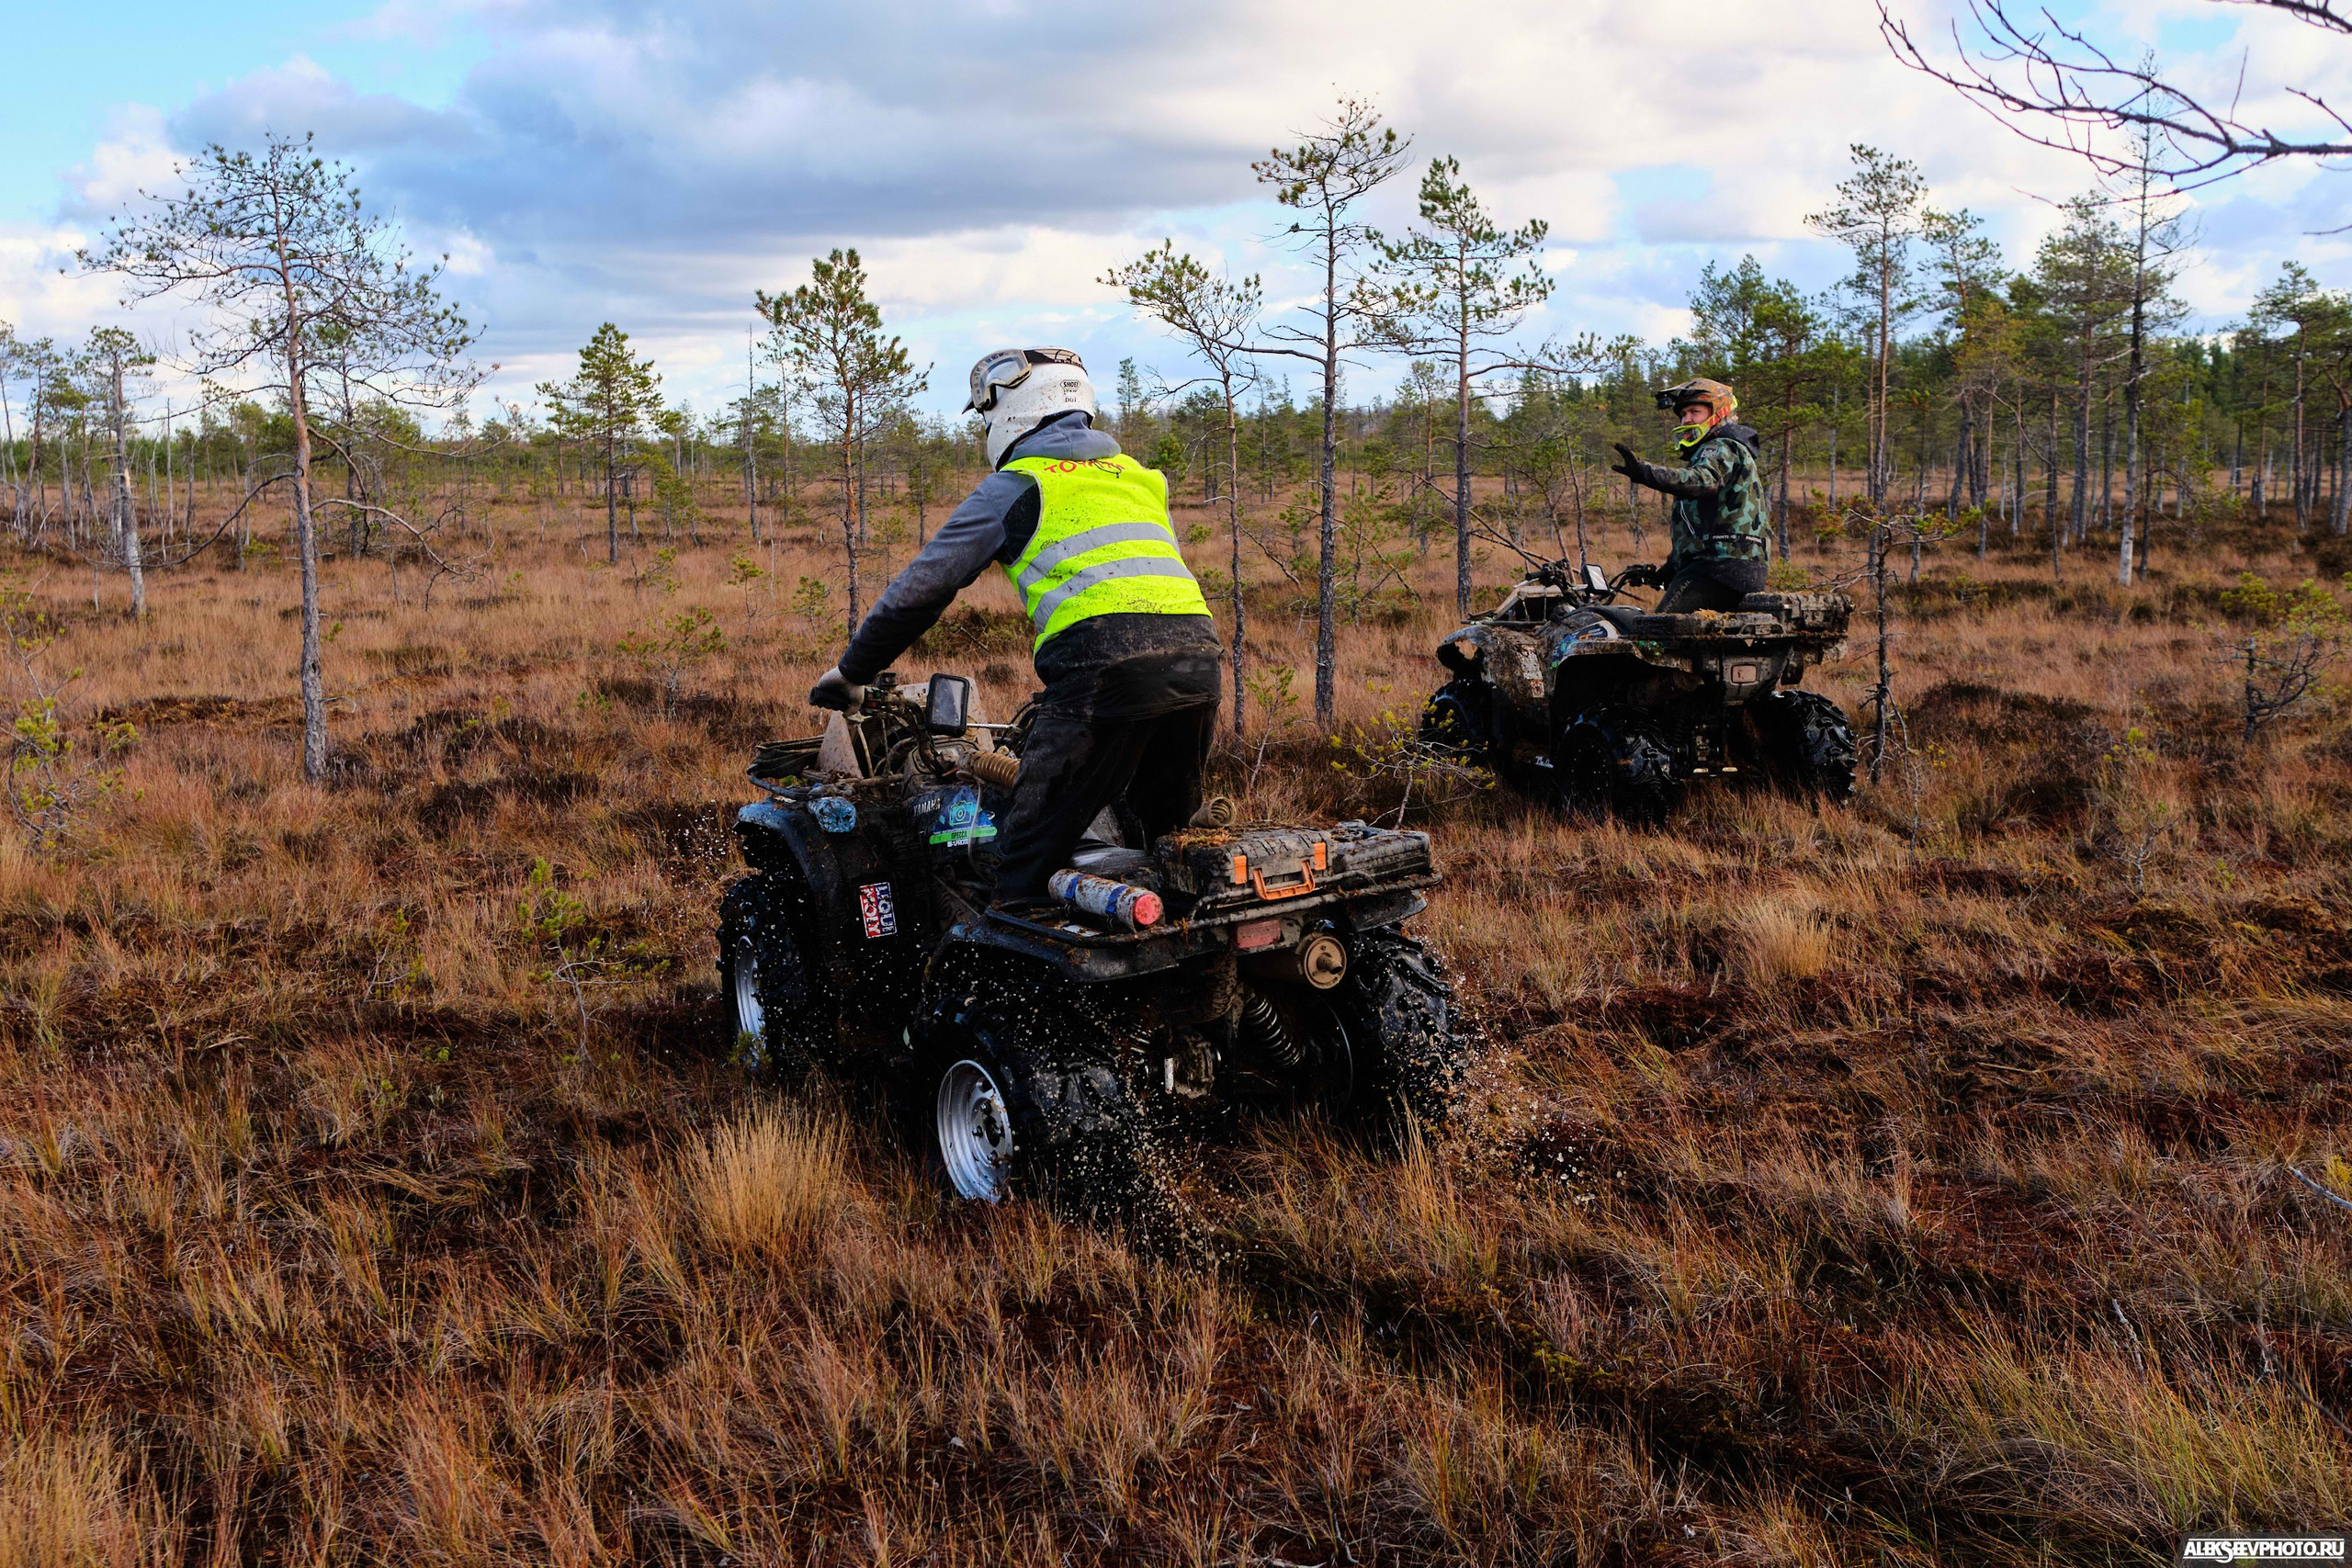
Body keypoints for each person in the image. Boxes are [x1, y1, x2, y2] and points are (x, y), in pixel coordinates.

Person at [808, 346, 1224, 904]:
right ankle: (1194, 976)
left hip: (1102, 672)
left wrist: (853, 670)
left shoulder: (1018, 485)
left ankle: (1000, 987)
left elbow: (922, 590)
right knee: (1170, 854)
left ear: (1013, 411)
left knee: (1023, 865)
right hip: (1199, 663)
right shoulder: (1141, 478)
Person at [1608, 377, 1771, 613]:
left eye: (1695, 411)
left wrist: (1645, 472)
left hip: (1717, 567)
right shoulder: (1726, 450)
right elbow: (1701, 531)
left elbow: (1702, 480)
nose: (1687, 419)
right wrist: (1665, 573)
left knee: (1655, 635)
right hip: (1733, 566)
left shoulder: (1721, 446)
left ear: (1719, 412)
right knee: (1697, 642)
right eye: (1683, 414)